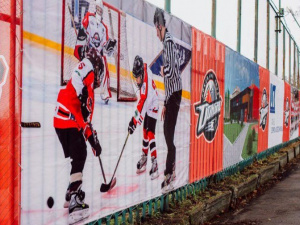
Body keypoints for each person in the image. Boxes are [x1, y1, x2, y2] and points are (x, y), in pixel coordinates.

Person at [54, 48, 103, 224]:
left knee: (78, 154)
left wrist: (92, 138)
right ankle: (75, 199)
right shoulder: (89, 70)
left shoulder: (86, 77)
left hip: (61, 119)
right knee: (81, 152)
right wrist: (91, 138)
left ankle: (71, 191)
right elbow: (77, 76)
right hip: (67, 118)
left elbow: (83, 117)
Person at [153, 8, 182, 192]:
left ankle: (169, 172)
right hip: (172, 95)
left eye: (156, 29)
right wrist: (165, 102)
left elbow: (173, 71)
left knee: (168, 135)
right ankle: (170, 171)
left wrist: (162, 70)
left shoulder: (169, 43)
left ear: (161, 27)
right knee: (166, 132)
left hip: (175, 95)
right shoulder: (167, 43)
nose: (156, 33)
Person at [74, 0, 116, 104]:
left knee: (104, 63)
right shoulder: (89, 17)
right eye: (98, 9)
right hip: (88, 51)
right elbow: (82, 29)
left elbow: (105, 47)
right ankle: (78, 86)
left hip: (97, 55)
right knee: (83, 68)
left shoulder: (104, 28)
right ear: (95, 9)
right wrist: (82, 37)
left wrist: (111, 46)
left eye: (101, 10)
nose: (99, 11)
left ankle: (105, 94)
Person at [128, 55, 159, 180]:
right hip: (149, 103)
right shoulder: (144, 68)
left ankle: (155, 162)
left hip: (153, 105)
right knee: (144, 131)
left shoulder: (145, 90)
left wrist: (133, 122)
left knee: (150, 132)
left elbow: (141, 104)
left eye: (137, 78)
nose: (136, 81)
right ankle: (145, 157)